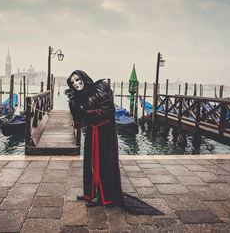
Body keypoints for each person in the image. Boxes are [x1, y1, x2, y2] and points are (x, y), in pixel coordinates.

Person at [65, 70, 163, 215]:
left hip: (104, 133)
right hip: (92, 132)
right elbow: (80, 122)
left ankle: (103, 196)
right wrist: (75, 107)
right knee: (90, 163)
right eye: (73, 82)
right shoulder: (79, 97)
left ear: (84, 78)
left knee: (102, 163)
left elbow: (108, 111)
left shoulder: (100, 89)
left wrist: (85, 111)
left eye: (78, 79)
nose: (76, 83)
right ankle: (90, 193)